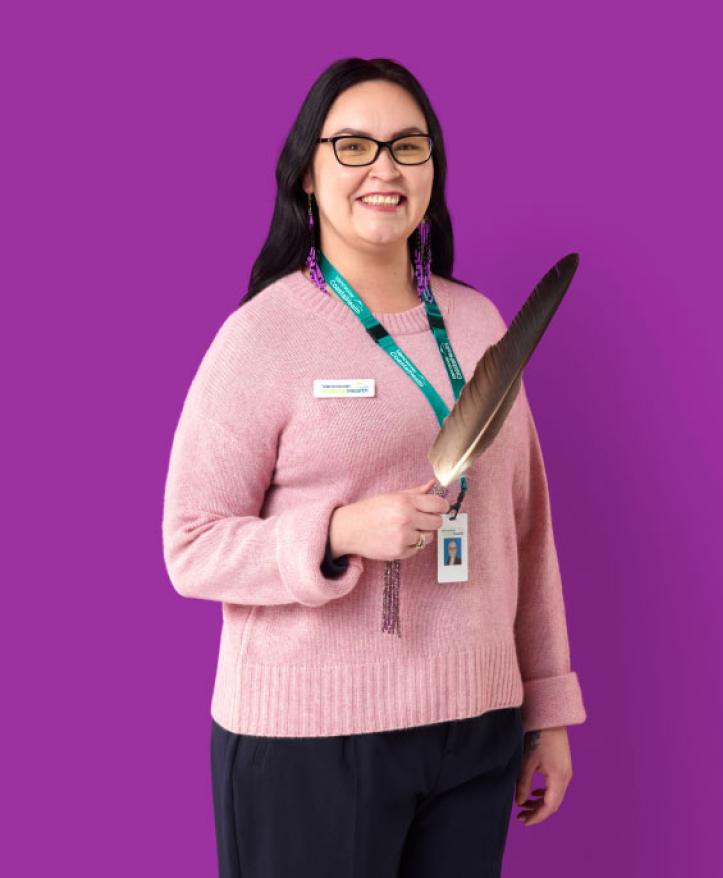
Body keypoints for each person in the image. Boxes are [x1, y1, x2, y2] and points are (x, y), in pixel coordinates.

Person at [162, 57, 587, 878]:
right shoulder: (262, 336)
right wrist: (337, 532)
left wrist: (547, 710)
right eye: (353, 146)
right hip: (311, 742)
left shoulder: (476, 323)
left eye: (408, 145)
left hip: (476, 732)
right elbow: (190, 543)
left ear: (434, 170)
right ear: (307, 177)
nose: (385, 168)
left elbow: (523, 530)